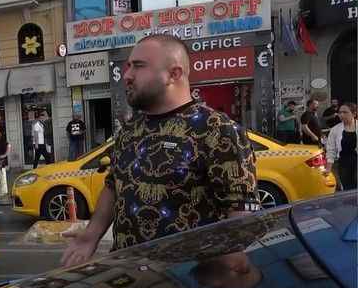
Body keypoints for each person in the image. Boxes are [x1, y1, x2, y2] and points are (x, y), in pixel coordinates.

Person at [61, 35, 258, 267]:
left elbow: (241, 215)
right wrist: (91, 235)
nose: (127, 75)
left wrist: (224, 272)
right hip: (128, 276)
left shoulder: (217, 130)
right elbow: (114, 186)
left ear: (174, 74)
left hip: (187, 283)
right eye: (128, 66)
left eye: (139, 66)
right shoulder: (130, 130)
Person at [325, 102, 357, 190]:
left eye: (345, 112)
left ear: (354, 114)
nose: (341, 115)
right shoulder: (335, 130)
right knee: (348, 189)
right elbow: (331, 150)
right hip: (344, 163)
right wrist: (328, 169)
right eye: (340, 112)